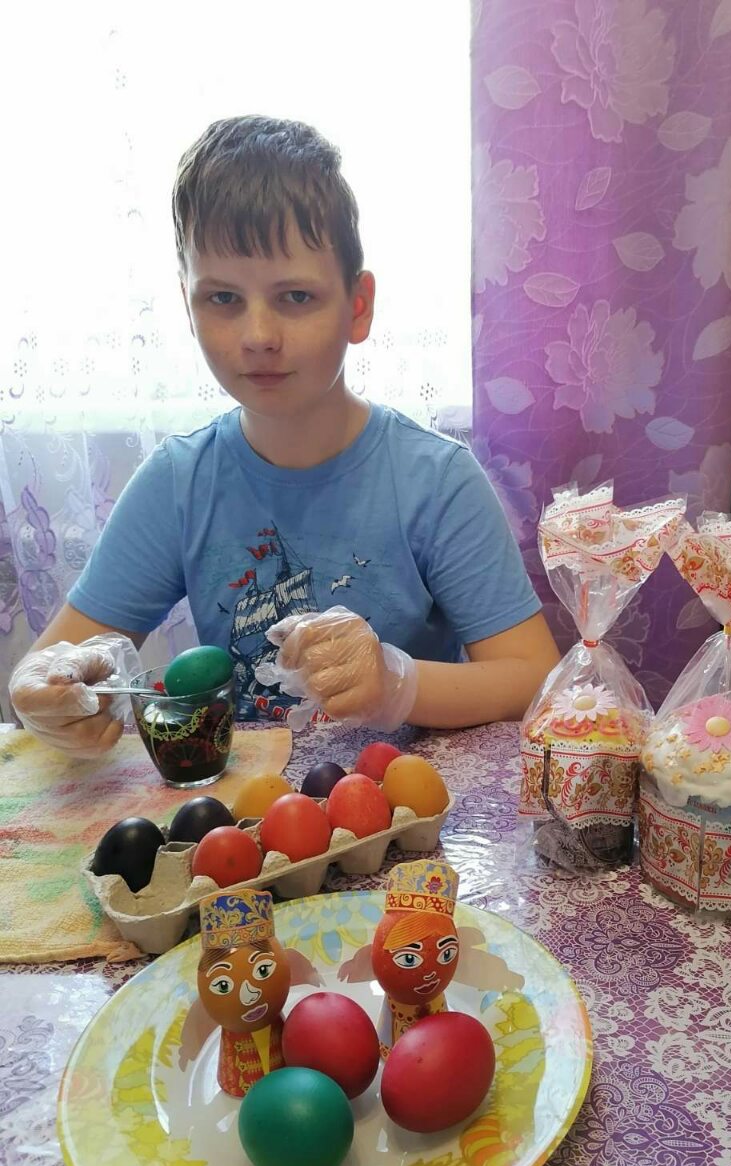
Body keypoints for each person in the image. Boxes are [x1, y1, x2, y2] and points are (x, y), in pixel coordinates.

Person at [9, 115, 559, 757]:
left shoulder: (436, 482)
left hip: (401, 802)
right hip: (243, 809)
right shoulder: (178, 482)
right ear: (188, 306)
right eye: (223, 299)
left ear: (358, 307)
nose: (259, 336)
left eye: (296, 296)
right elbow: (54, 665)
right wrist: (45, 695)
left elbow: (532, 677)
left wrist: (396, 684)